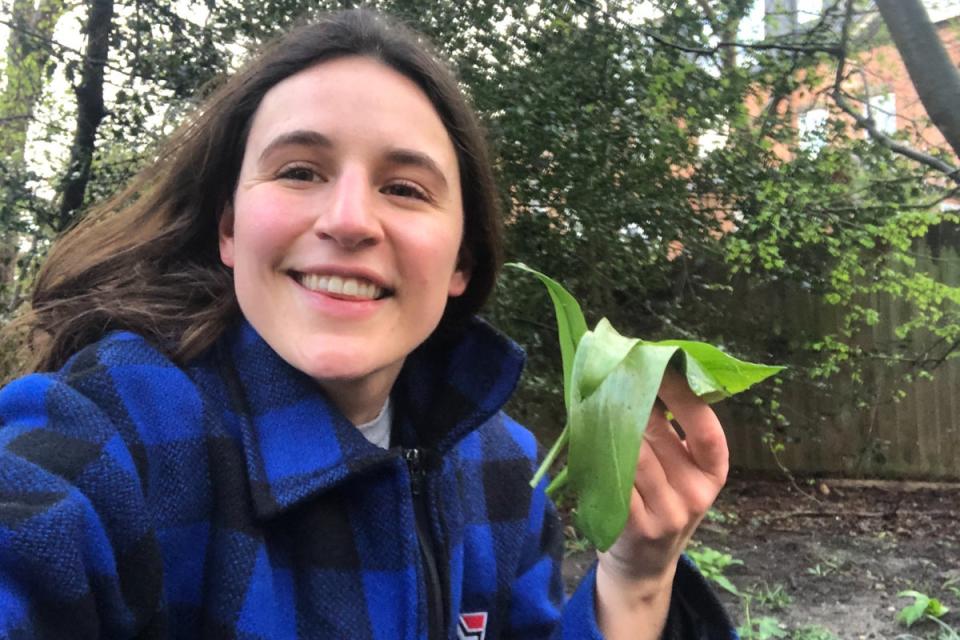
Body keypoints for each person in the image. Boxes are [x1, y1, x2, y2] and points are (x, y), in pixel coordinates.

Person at [0, 9, 735, 639]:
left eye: (405, 188)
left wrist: (639, 577)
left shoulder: (504, 471)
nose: (349, 220)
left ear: (461, 263)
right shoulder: (116, 434)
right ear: (229, 228)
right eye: (298, 171)